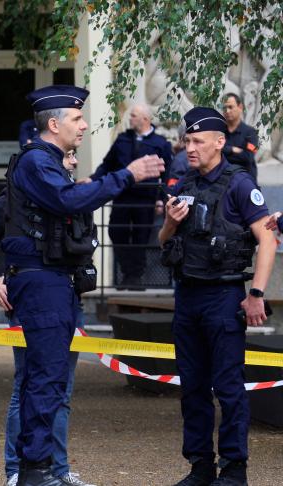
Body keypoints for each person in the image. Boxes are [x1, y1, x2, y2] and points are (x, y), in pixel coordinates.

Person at [3, 85, 164, 486]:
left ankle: (39, 470)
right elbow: (68, 200)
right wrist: (127, 175)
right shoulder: (37, 162)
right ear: (53, 124)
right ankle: (34, 472)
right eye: (77, 119)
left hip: (56, 281)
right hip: (41, 282)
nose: (85, 124)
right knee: (44, 378)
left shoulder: (51, 161)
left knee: (52, 378)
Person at [0, 151, 95, 486]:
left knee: (59, 389)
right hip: (33, 302)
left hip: (67, 300)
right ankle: (18, 469)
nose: (74, 162)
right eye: (68, 155)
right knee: (28, 385)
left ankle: (56, 470)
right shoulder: (18, 199)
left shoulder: (65, 197)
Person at [159, 107, 274, 486]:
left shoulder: (239, 183)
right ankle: (200, 467)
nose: (189, 148)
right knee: (192, 388)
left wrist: (256, 293)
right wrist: (170, 224)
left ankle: (234, 469)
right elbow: (163, 242)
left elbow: (268, 238)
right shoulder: (184, 184)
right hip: (188, 296)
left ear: (219, 142)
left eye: (197, 141)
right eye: (186, 141)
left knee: (227, 387)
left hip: (224, 296)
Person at [88, 103, 172, 289]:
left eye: (134, 115)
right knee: (116, 232)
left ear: (145, 119)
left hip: (146, 198)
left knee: (141, 236)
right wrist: (92, 179)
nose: (130, 118)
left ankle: (136, 277)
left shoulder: (160, 143)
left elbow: (167, 174)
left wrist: (161, 198)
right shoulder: (122, 139)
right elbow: (107, 165)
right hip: (123, 195)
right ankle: (126, 273)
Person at [220, 93, 259, 180]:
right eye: (224, 108)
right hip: (222, 181)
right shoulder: (219, 132)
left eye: (230, 107)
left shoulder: (251, 133)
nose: (227, 111)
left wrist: (224, 149)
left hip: (245, 180)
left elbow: (248, 157)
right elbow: (214, 153)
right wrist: (233, 149)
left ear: (240, 107)